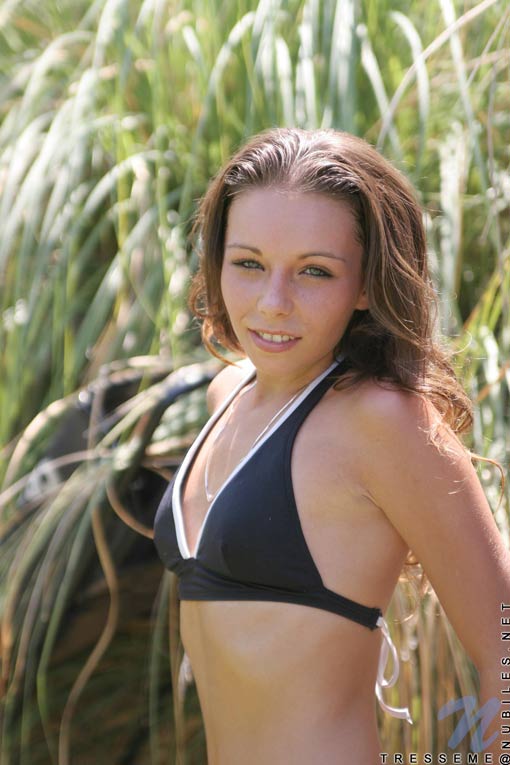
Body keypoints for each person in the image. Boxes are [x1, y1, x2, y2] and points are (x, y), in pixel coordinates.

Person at [153, 127, 510, 764]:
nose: (273, 303)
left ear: (367, 286)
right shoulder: (227, 394)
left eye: (314, 271)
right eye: (249, 263)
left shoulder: (383, 421)